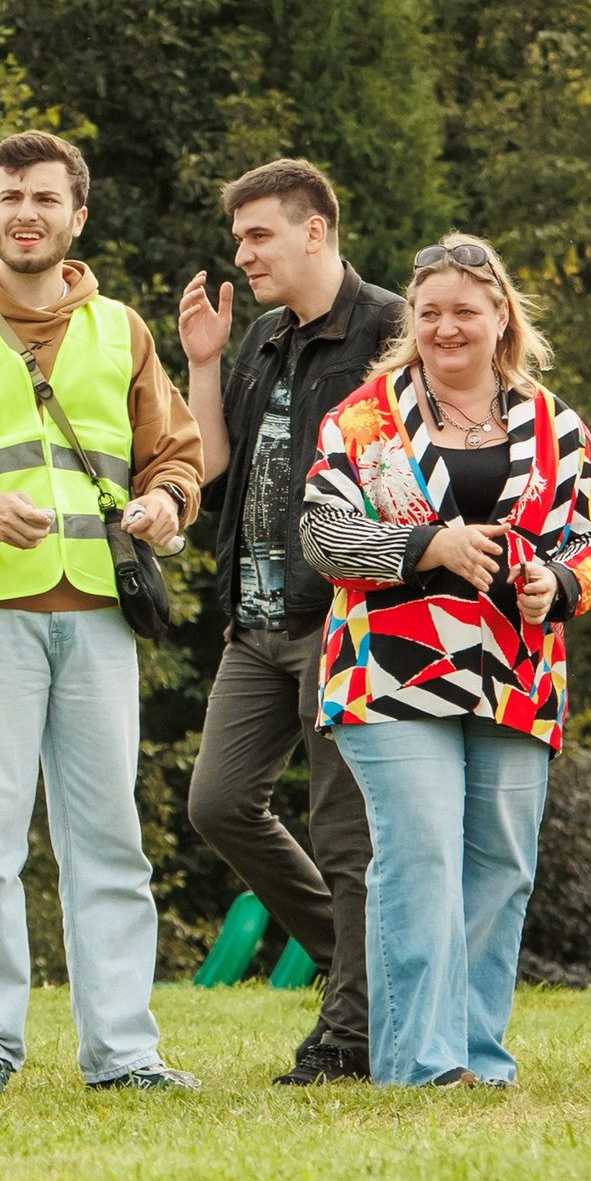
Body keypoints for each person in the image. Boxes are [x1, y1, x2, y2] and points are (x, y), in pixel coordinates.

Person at [0, 130, 206, 1095]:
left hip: (97, 613)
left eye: (46, 199)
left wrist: (165, 504)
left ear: (77, 216)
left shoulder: (123, 330)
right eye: (11, 195)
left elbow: (176, 454)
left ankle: (123, 1053)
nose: (27, 213)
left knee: (109, 841)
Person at [299, 234, 591, 1087]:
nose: (448, 328)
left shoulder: (554, 423)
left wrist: (556, 581)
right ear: (413, 320)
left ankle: (479, 1055)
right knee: (421, 856)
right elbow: (324, 533)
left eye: (465, 311)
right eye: (431, 313)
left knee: (500, 866)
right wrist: (428, 544)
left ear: (500, 316)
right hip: (390, 670)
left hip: (517, 676)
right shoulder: (364, 418)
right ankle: (418, 1060)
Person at [177, 158, 400, 1085]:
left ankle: (349, 1034)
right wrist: (201, 360)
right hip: (254, 620)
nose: (243, 252)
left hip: (343, 616)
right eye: (239, 236)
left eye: (258, 234)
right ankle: (368, 971)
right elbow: (216, 466)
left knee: (348, 830)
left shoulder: (390, 328)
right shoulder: (265, 336)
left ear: (317, 230)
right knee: (220, 802)